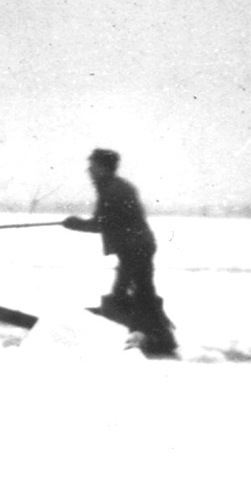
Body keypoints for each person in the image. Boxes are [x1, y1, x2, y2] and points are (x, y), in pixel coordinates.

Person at [62, 148, 177, 356]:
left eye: (93, 166)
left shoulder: (113, 191)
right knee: (138, 293)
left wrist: (74, 223)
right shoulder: (114, 187)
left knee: (128, 295)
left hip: (135, 248)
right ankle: (158, 337)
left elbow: (100, 224)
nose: (89, 170)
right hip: (136, 247)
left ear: (104, 168)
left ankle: (152, 339)